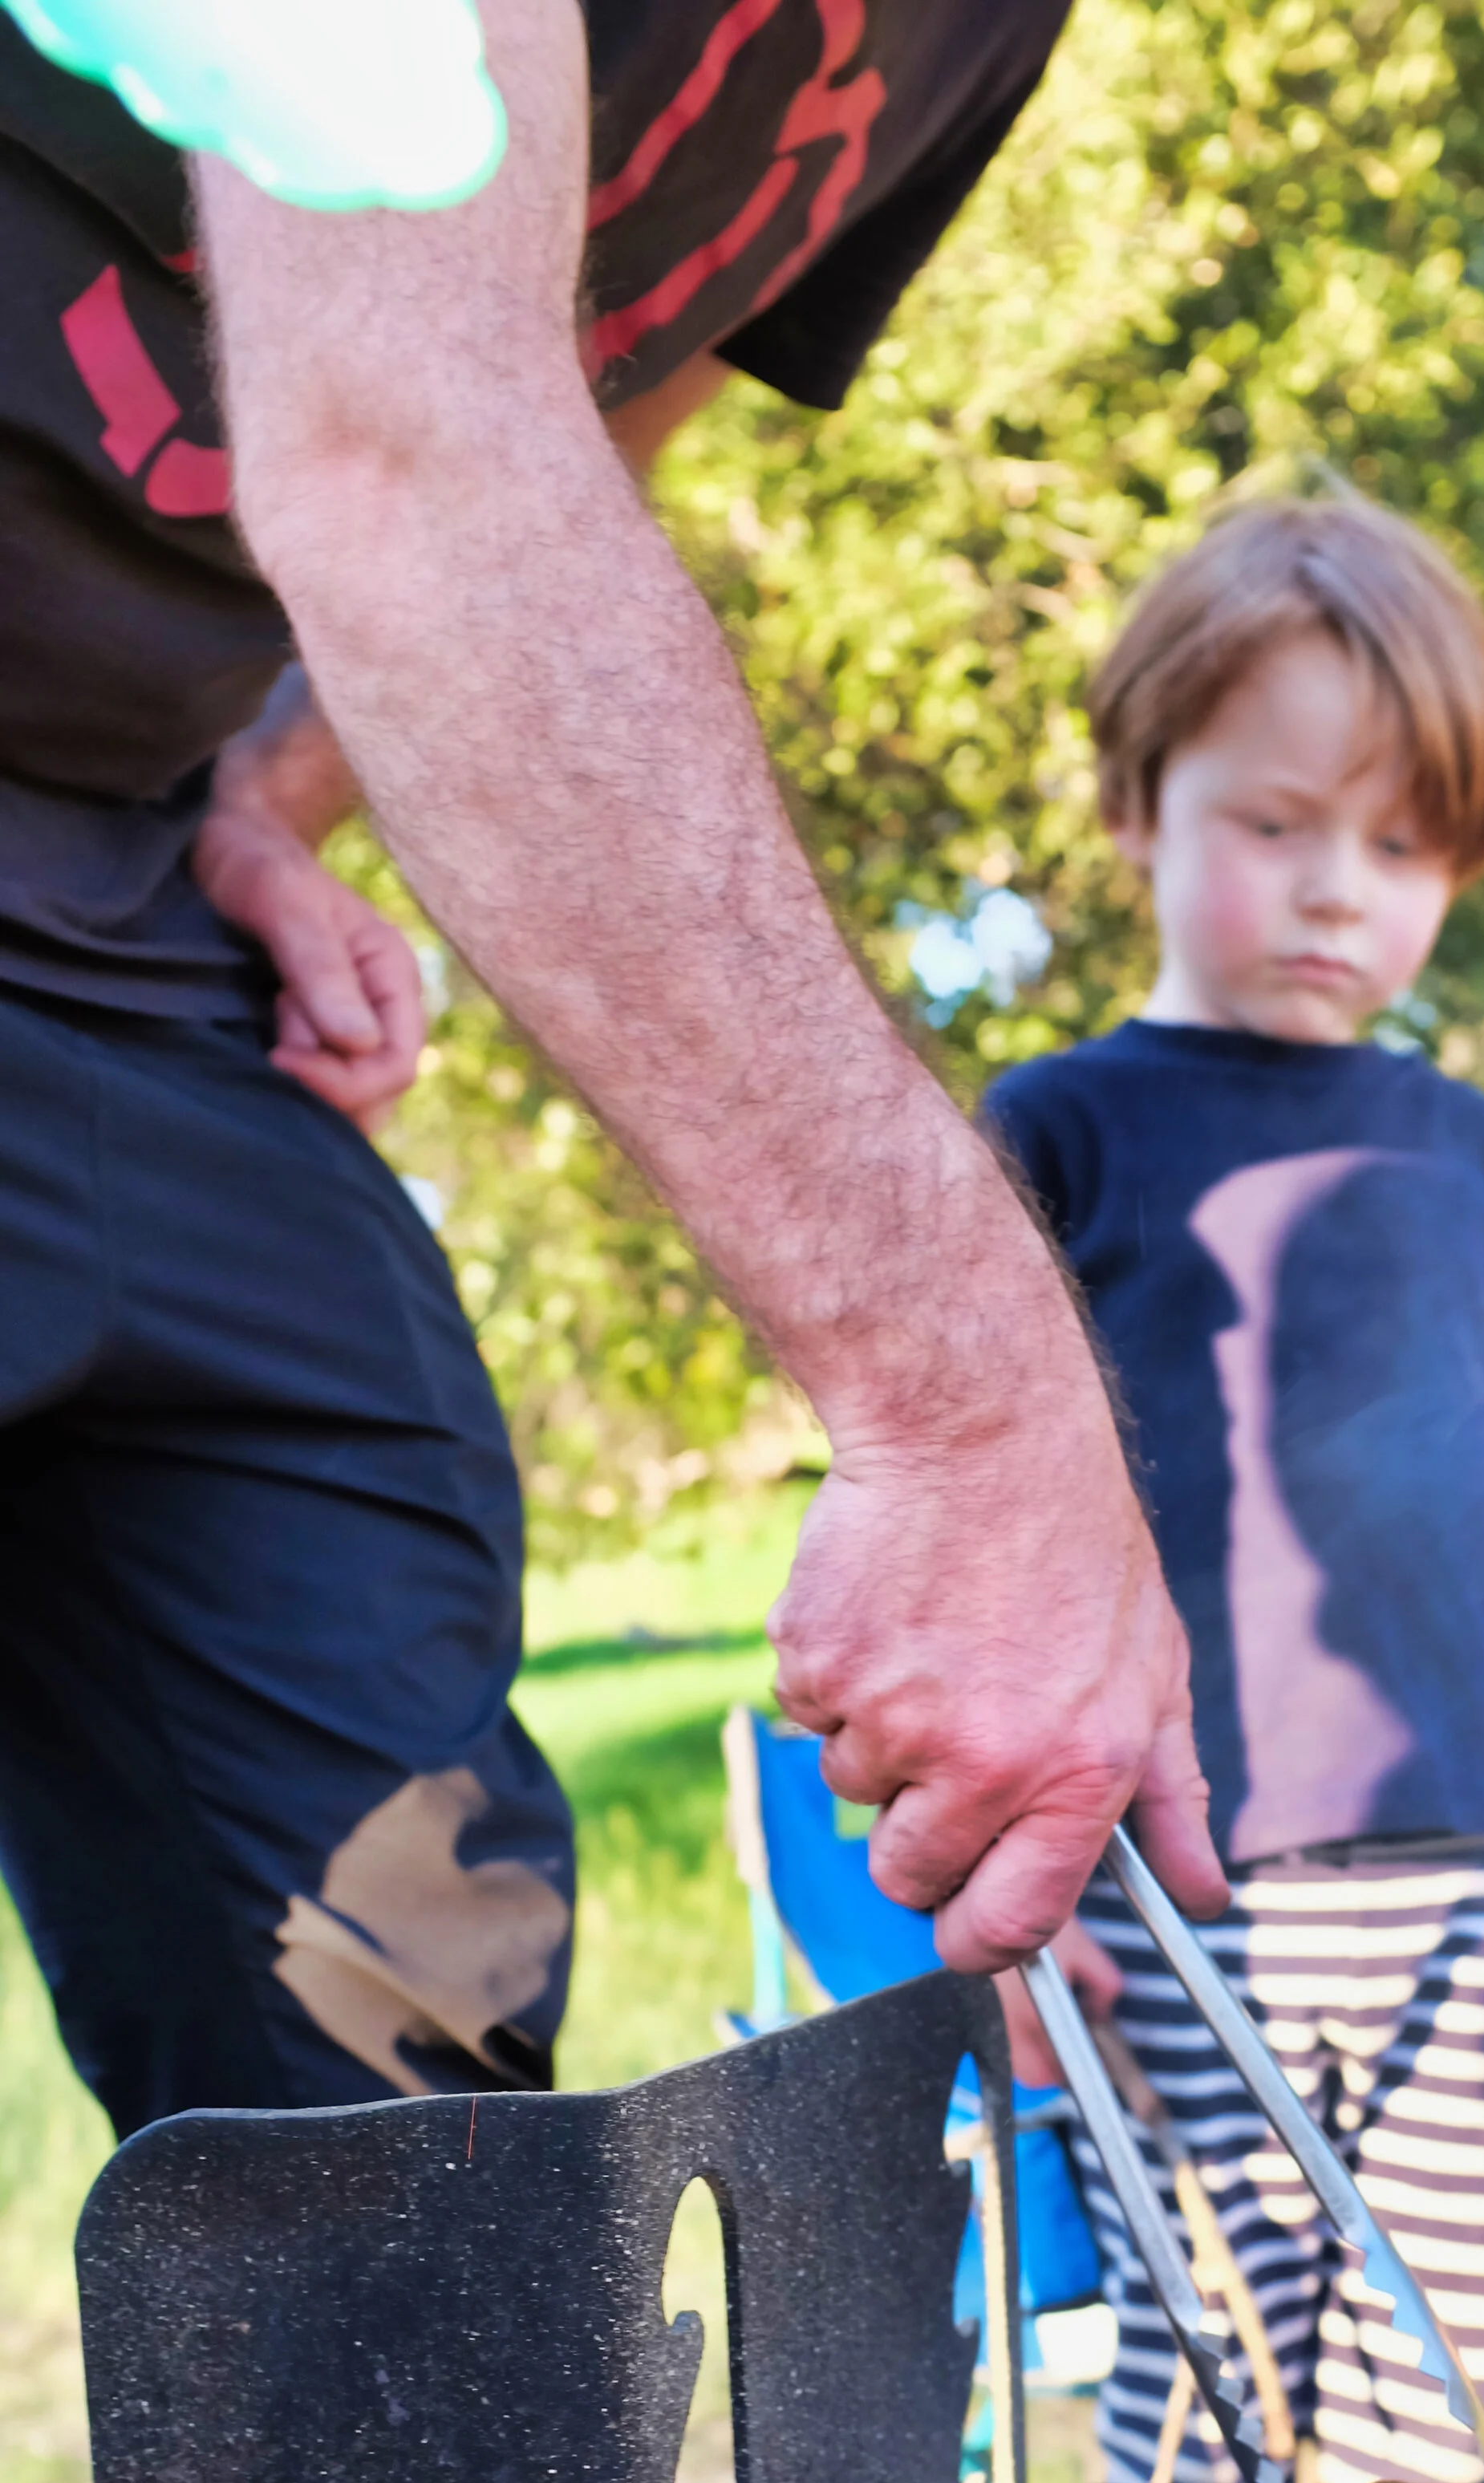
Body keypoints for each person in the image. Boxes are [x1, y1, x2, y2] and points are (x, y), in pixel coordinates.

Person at [0, 0, 1223, 2140]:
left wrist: (268, 798)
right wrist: (960, 1403)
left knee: (408, 2001)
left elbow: (587, 385)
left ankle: (422, 2476)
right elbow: (409, 447)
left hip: (135, 899)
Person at [984, 493, 1484, 2483]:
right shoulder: (1052, 1133)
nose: (1336, 895)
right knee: (1200, 2422)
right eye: (1275, 823)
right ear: (1139, 802)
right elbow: (983, 1545)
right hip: (1191, 1894)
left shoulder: (1471, 1152)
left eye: (1399, 847)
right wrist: (1024, 1907)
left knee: (1435, 2441)